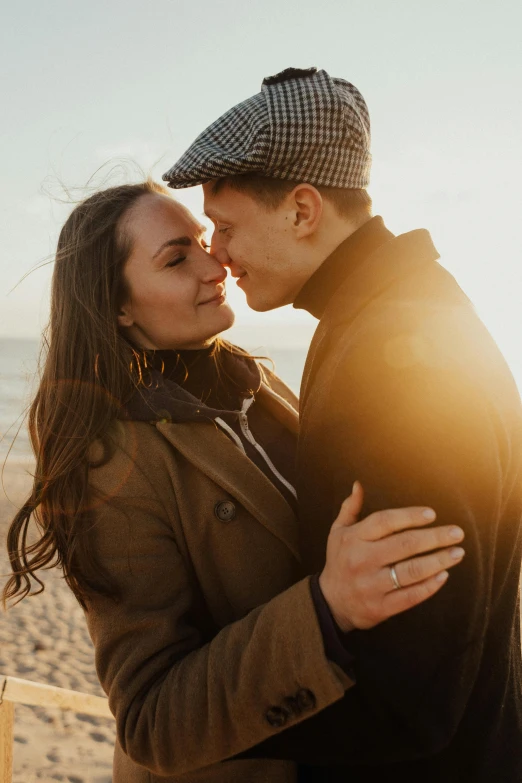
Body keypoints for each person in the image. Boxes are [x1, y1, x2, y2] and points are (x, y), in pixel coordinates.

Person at [3, 181, 464, 783]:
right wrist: (325, 610)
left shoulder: (250, 382)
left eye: (202, 240)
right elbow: (149, 720)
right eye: (176, 259)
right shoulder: (109, 463)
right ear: (118, 306)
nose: (214, 263)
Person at [162, 67, 522, 781]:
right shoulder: (391, 310)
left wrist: (199, 732)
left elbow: (412, 703)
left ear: (302, 209)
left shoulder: (397, 361)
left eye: (227, 227)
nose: (219, 255)